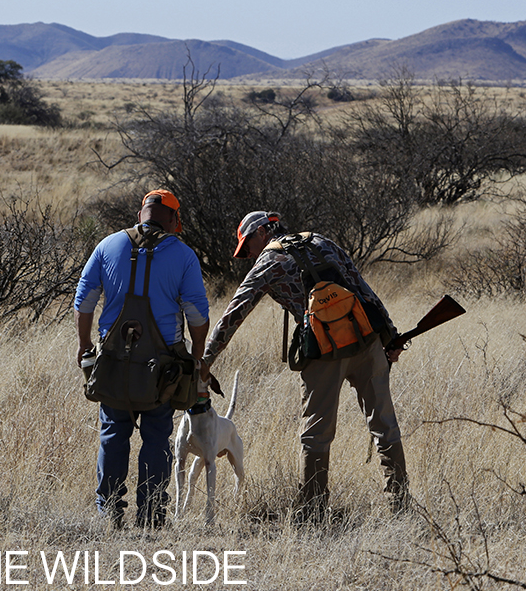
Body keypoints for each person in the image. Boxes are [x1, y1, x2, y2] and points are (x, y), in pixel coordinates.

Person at [202, 211, 408, 519]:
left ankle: (313, 511)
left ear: (262, 233)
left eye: (248, 247)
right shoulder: (321, 241)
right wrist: (389, 335)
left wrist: (204, 363)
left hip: (323, 353)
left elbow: (232, 316)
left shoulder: (267, 264)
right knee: (385, 426)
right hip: (366, 342)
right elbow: (361, 286)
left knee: (315, 435)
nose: (249, 254)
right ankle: (400, 504)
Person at [74, 190, 210, 528]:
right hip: (162, 370)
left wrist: (84, 344)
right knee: (157, 436)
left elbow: (85, 299)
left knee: (113, 434)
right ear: (173, 219)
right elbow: (197, 313)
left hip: (112, 364)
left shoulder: (108, 246)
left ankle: (109, 513)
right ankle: (151, 515)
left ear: (141, 214)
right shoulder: (184, 255)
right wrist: (197, 355)